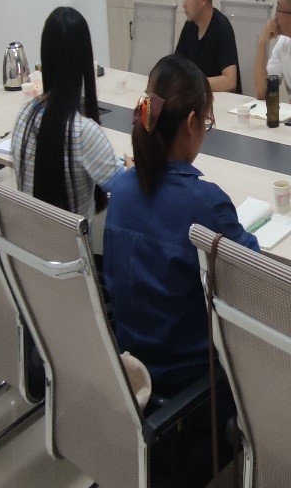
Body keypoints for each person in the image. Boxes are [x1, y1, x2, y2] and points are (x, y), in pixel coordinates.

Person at [104, 55, 259, 396]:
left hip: (132, 370)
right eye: (207, 121)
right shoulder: (206, 204)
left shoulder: (122, 189)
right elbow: (254, 278)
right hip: (195, 385)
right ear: (192, 123)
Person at [11, 7, 126, 235]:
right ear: (85, 61)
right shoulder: (83, 132)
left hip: (30, 249)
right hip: (73, 253)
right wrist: (132, 168)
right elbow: (127, 190)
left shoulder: (24, 115)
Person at [175, 0, 240, 93]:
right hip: (197, 97)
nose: (184, 4)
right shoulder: (189, 26)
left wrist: (192, 83)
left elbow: (230, 81)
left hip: (222, 100)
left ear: (203, 0)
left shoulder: (221, 27)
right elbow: (176, 67)